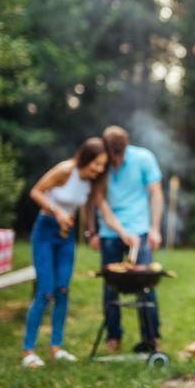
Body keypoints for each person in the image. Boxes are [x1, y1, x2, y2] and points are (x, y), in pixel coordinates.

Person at [22, 137, 134, 368]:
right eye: (96, 164)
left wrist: (124, 234)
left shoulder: (93, 182)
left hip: (66, 237)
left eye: (102, 166)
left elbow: (105, 211)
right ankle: (29, 351)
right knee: (45, 291)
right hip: (45, 231)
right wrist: (57, 212)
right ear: (86, 158)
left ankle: (56, 348)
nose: (99, 169)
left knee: (63, 289)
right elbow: (36, 192)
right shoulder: (66, 170)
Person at [86, 125, 164, 353]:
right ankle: (113, 336)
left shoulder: (144, 158)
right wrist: (92, 231)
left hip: (139, 230)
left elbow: (156, 193)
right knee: (111, 286)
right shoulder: (100, 163)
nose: (116, 161)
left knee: (145, 286)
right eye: (113, 157)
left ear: (126, 147)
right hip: (110, 233)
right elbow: (94, 201)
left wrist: (155, 228)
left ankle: (152, 337)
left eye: (119, 156)